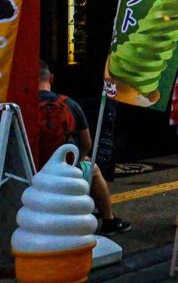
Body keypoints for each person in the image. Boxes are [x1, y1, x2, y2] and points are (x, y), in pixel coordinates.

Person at [36, 62, 131, 235]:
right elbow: (87, 144)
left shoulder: (20, 105)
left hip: (31, 167)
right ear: (51, 78)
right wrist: (81, 157)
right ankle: (109, 221)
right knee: (93, 169)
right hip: (64, 169)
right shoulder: (69, 104)